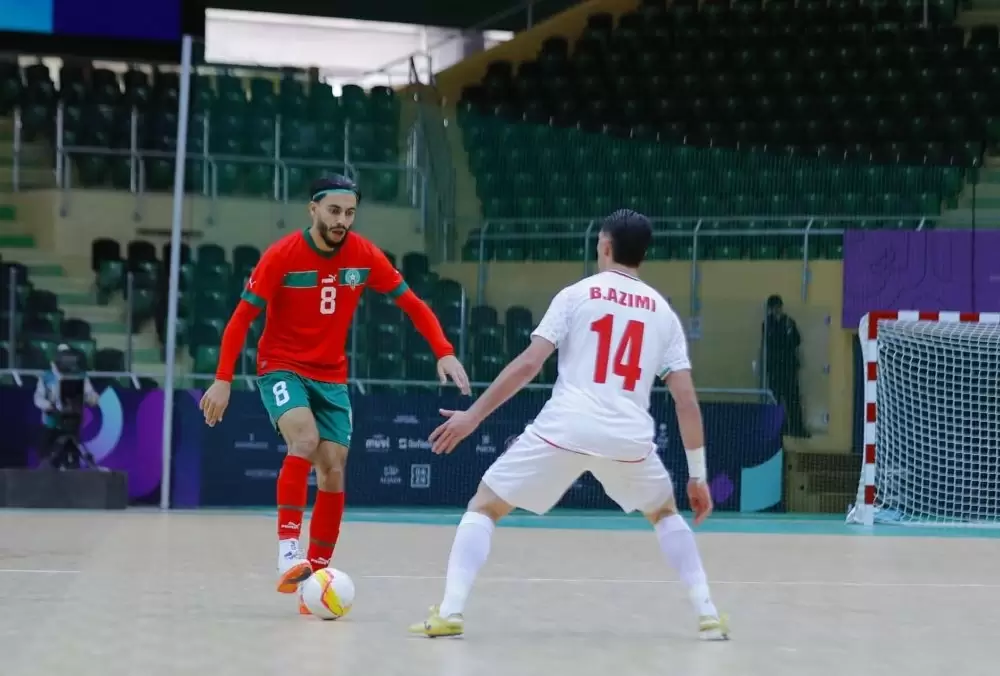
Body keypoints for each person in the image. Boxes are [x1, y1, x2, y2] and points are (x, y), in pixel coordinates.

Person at [409, 209, 729, 641]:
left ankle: (450, 612)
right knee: (665, 513)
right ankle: (708, 614)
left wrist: (473, 416)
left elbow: (527, 366)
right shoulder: (663, 314)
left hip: (565, 427)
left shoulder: (577, 295)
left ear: (604, 246)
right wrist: (698, 476)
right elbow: (687, 403)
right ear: (643, 255)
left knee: (484, 507)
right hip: (628, 438)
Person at [199, 175, 471, 610]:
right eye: (333, 211)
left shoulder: (364, 255)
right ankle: (288, 552)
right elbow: (239, 320)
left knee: (334, 468)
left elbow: (413, 304)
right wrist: (223, 378)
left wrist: (443, 351)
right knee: (304, 441)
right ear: (313, 210)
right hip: (281, 366)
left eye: (349, 213)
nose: (342, 220)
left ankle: (316, 577)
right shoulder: (282, 256)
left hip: (331, 375)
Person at [34, 344, 99, 469]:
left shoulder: (80, 376)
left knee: (72, 457)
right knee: (46, 457)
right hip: (51, 423)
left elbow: (90, 393)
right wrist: (48, 406)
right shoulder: (46, 377)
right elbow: (38, 397)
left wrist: (91, 398)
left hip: (71, 422)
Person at [761, 294, 809, 438]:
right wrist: (785, 335)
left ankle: (797, 429)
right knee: (775, 400)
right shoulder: (767, 324)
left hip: (788, 368)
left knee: (793, 399)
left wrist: (789, 332)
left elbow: (797, 340)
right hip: (775, 369)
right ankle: (778, 429)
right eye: (773, 308)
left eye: (778, 307)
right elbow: (770, 343)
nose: (776, 310)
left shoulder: (789, 322)